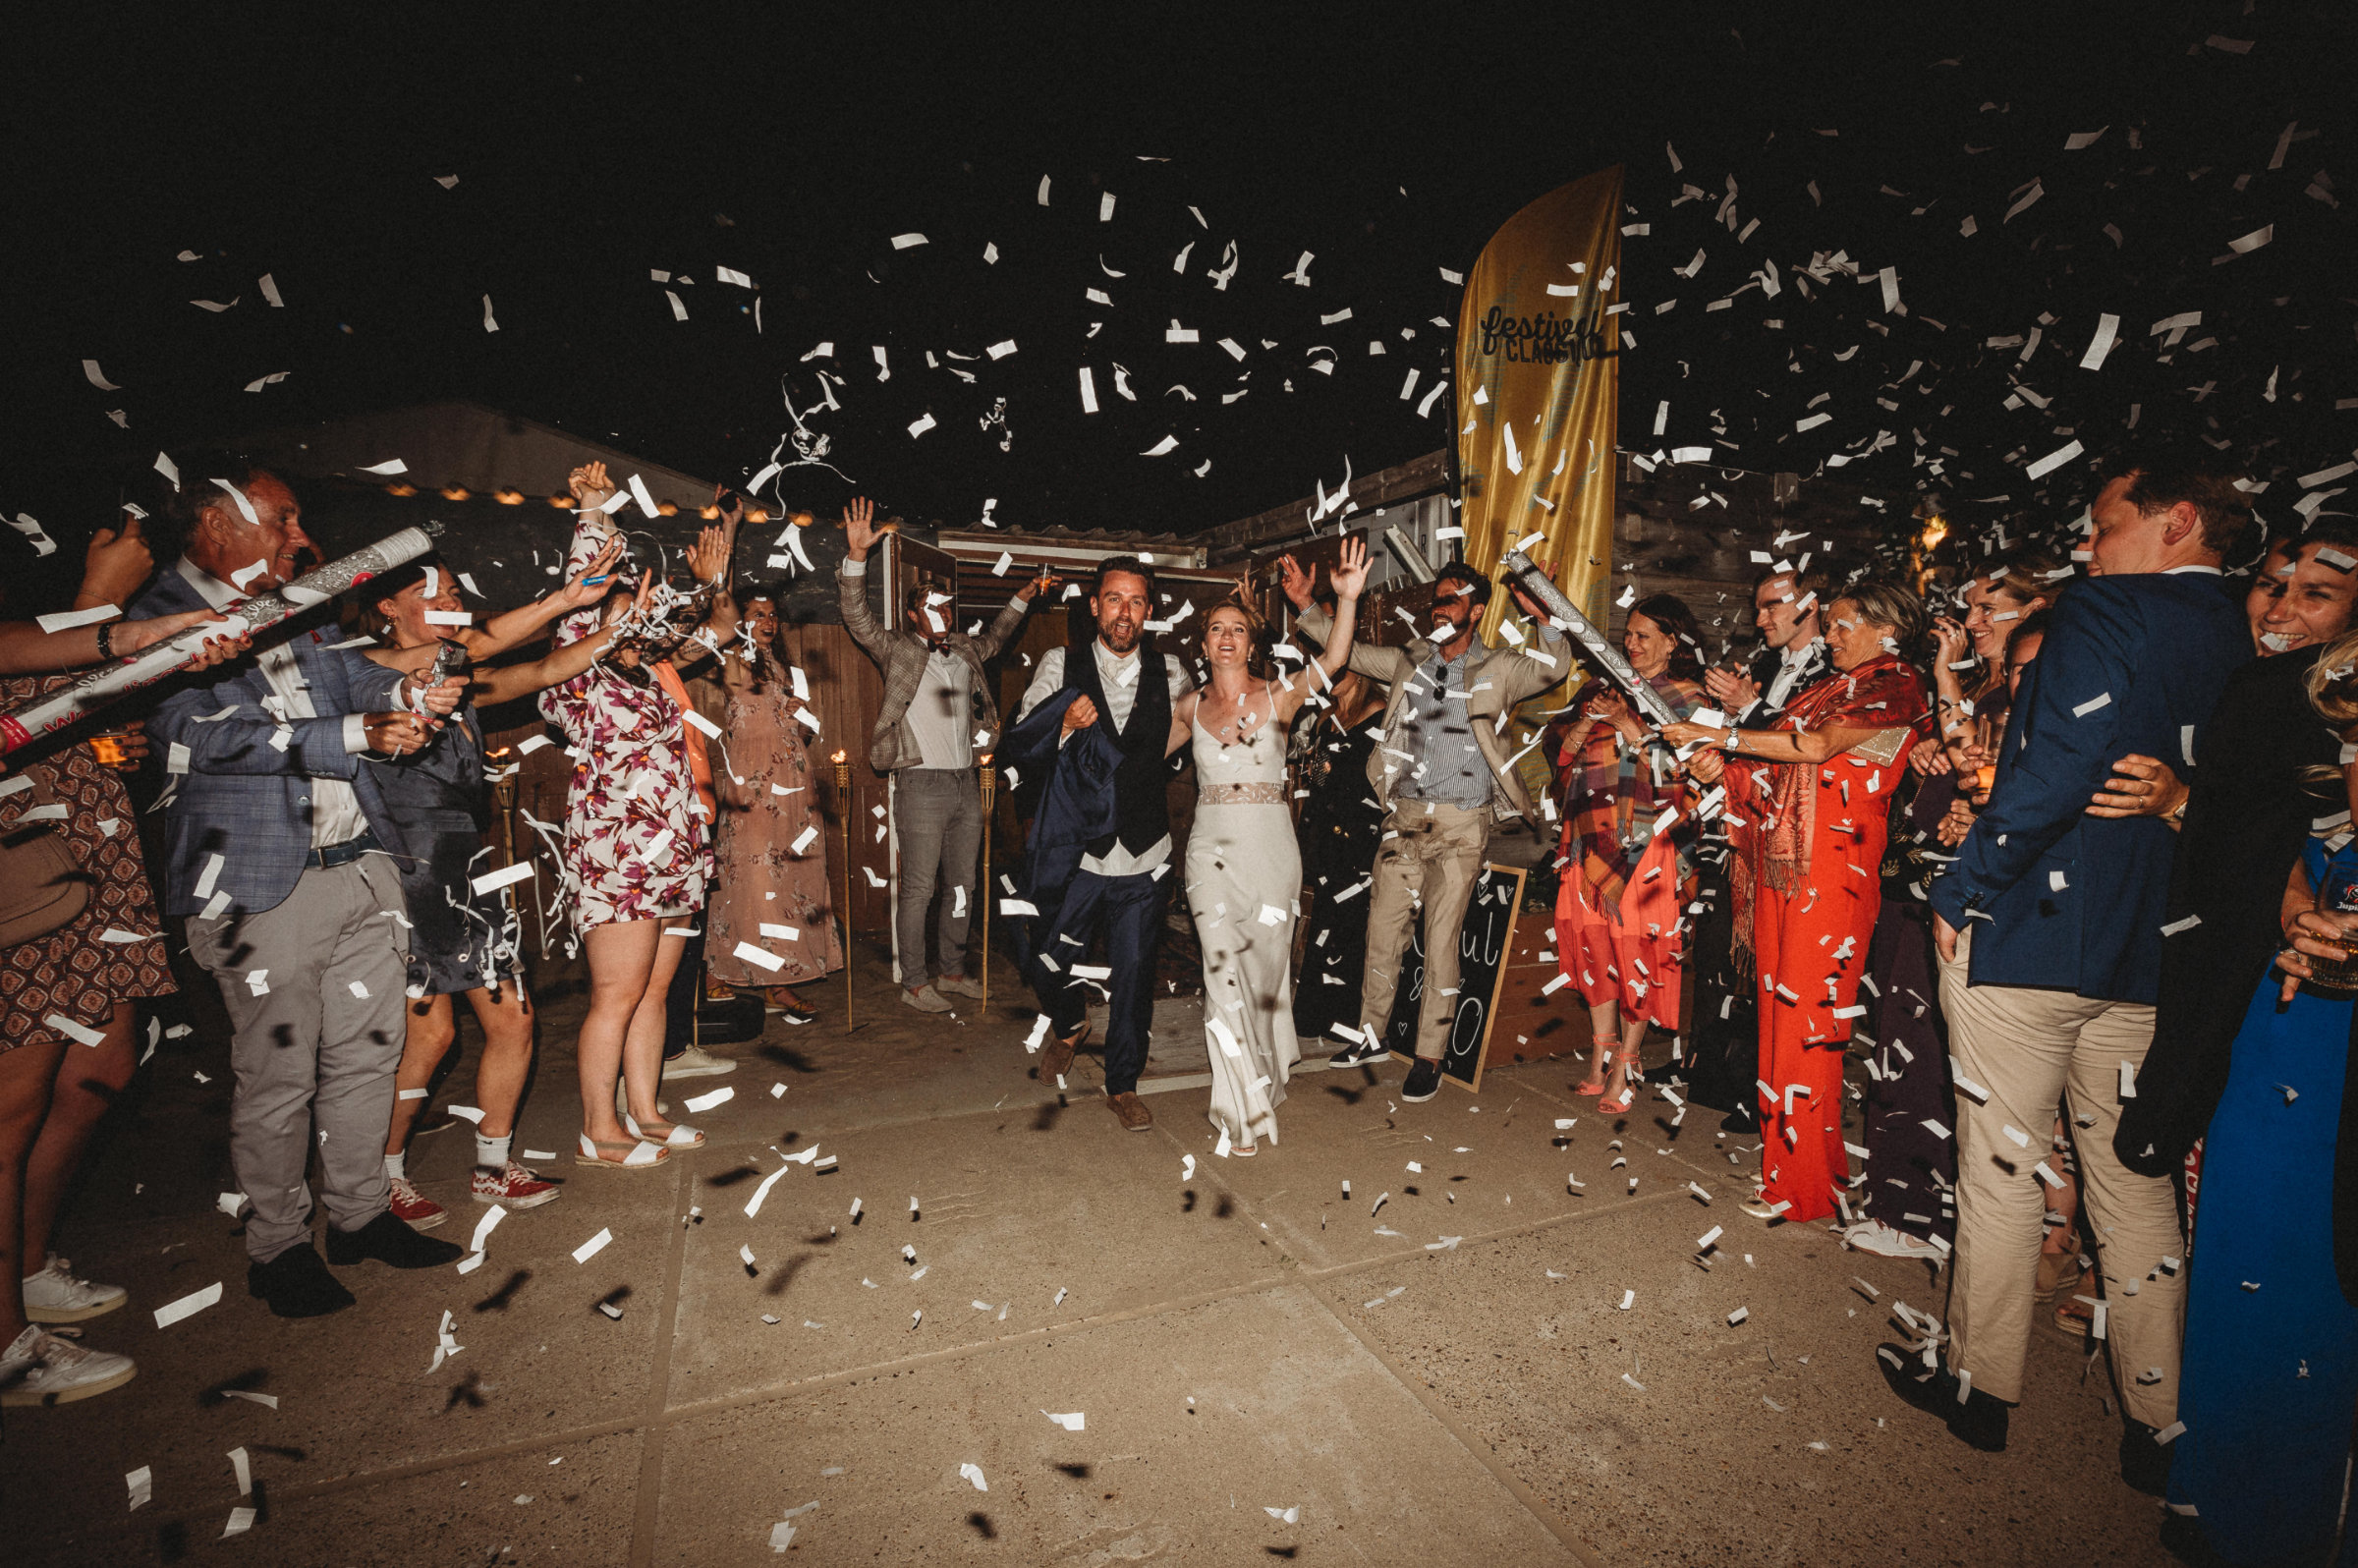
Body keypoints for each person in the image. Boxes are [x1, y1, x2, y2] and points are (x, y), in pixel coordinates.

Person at [1894, 452, 2253, 1476]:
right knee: (2135, 1182)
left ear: (2176, 521)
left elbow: (2053, 770)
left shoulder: (2105, 610)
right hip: (2150, 948)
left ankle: (1980, 1389)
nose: (2089, 547)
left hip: (2033, 936)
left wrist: (1963, 886)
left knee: (2003, 1168)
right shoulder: (2243, 633)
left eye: (2105, 523)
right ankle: (2157, 1424)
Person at [130, 458, 469, 1317]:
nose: (301, 537)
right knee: (277, 1078)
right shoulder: (156, 619)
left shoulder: (295, 610)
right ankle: (277, 1247)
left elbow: (356, 676)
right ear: (217, 522)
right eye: (282, 518)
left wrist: (408, 688)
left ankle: (359, 1216)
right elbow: (197, 734)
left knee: (369, 1056)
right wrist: (354, 731)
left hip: (360, 864)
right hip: (257, 889)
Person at [2117, 635, 2355, 1564]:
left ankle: (2286, 1517)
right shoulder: (2297, 722)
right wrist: (2295, 904)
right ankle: (2220, 1489)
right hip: (2284, 1020)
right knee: (2245, 1243)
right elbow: (2267, 836)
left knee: (2318, 1285)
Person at [0, 522, 247, 1401]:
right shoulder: (83, 590)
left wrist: (107, 740)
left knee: (96, 1072)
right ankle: (8, 1346)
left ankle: (28, 1267)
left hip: (88, 842)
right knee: (10, 1111)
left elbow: (56, 705)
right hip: (21, 865)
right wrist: (109, 608)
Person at [360, 543, 630, 1226]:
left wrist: (620, 628)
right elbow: (472, 644)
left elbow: (543, 669)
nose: (452, 602)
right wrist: (563, 599)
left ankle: (491, 1165)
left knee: (514, 1017)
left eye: (456, 591)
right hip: (406, 864)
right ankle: (381, 1178)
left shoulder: (462, 677)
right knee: (430, 1036)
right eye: (433, 594)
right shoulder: (366, 668)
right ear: (387, 607)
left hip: (465, 858)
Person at [1666, 580, 1929, 1226]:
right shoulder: (1828, 688)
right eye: (1829, 625)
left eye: (1842, 625)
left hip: (1835, 871)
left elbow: (1814, 748)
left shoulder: (1895, 683)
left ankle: (1802, 1188)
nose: (1829, 637)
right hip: (1785, 866)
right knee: (1782, 1023)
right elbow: (1773, 766)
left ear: (1887, 629)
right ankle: (1805, 1169)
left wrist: (1727, 738)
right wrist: (1719, 767)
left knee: (1809, 1029)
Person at [1281, 557, 1570, 1103]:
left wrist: (1545, 614)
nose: (1439, 607)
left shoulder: (1500, 666)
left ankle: (1430, 1055)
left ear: (1476, 611)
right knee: (1382, 933)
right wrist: (1304, 603)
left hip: (1462, 826)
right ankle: (1371, 1035)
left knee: (1440, 942)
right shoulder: (1409, 658)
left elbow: (1553, 667)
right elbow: (1347, 650)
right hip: (1404, 819)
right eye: (1436, 599)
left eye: (1451, 599)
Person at [1847, 554, 2064, 1262]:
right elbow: (1961, 748)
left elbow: (2017, 784)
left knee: (1926, 1049)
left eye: (1986, 608)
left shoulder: (2038, 691)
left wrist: (1977, 812)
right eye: (1969, 607)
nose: (1970, 621)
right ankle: (1902, 1198)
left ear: (2035, 611)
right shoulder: (1979, 688)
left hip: (1970, 889)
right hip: (1918, 879)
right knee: (1900, 1035)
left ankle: (1919, 1216)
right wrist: (1929, 752)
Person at [538, 465, 723, 1168]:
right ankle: (598, 1126)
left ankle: (644, 1110)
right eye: (618, 611)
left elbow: (691, 621)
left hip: (675, 850)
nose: (632, 618)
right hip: (617, 855)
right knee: (616, 992)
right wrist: (592, 509)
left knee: (654, 989)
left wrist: (708, 583)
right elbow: (581, 598)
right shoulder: (577, 679)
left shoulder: (649, 675)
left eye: (635, 611)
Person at [1166, 538, 1367, 1152]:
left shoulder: (1279, 695)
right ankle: (1241, 1113)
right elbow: (1134, 763)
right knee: (1222, 974)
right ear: (1203, 645)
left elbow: (1335, 657)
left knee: (1262, 974)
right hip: (1209, 855)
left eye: (1237, 628)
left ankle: (1264, 1074)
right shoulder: (1186, 707)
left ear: (1251, 642)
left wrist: (1346, 599)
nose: (1226, 637)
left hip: (1272, 854)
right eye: (1215, 629)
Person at [838, 498, 1048, 1013]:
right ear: (914, 614)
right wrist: (857, 557)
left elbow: (998, 635)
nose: (942, 614)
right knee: (919, 889)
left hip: (966, 783)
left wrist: (1021, 596)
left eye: (946, 606)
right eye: (931, 607)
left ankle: (952, 971)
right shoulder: (899, 649)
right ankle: (914, 982)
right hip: (920, 784)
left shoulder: (965, 649)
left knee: (963, 887)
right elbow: (857, 617)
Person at [1008, 556, 1193, 1131]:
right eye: (1114, 599)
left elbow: (1192, 732)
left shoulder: (1173, 672)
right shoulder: (1060, 662)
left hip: (1144, 852)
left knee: (1134, 973)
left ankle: (1123, 1084)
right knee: (1044, 956)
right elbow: (1024, 736)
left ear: (1149, 611)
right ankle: (1069, 1023)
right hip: (1077, 851)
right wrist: (1064, 723)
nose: (1124, 613)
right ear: (1094, 606)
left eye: (1136, 601)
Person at [1685, 565, 1833, 1130]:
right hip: (1739, 825)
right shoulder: (1765, 664)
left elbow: (1803, 749)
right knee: (1725, 952)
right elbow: (1744, 745)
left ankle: (1761, 1088)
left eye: (1773, 605)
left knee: (1774, 968)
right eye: (1758, 606)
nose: (1761, 617)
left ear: (1811, 604)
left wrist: (1745, 710)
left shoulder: (1832, 670)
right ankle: (1714, 1070)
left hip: (1791, 841)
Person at [1551, 594, 1706, 1115]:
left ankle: (1627, 1063)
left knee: (1636, 952)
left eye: (1644, 636)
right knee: (1593, 948)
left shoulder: (1690, 698)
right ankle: (1601, 1052)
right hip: (1587, 839)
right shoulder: (1604, 686)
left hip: (1647, 843)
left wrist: (1627, 723)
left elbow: (1682, 775)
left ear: (1673, 642)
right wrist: (1583, 723)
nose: (1631, 644)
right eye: (1628, 635)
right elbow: (1563, 757)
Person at [704, 589, 844, 1008]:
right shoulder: (733, 658)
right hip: (753, 781)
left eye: (772, 615)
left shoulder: (786, 668)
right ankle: (721, 969)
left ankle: (776, 980)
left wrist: (800, 718)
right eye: (758, 614)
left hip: (793, 780)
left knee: (792, 876)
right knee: (753, 873)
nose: (768, 621)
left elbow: (805, 730)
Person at [1289, 665, 1389, 1042]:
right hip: (1326, 833)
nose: (1331, 678)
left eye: (1341, 671)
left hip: (1361, 836)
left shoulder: (1380, 714)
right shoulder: (1326, 718)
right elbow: (1317, 780)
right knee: (1324, 920)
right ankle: (1315, 1015)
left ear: (1361, 672)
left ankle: (1346, 1019)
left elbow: (1378, 780)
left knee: (1352, 924)